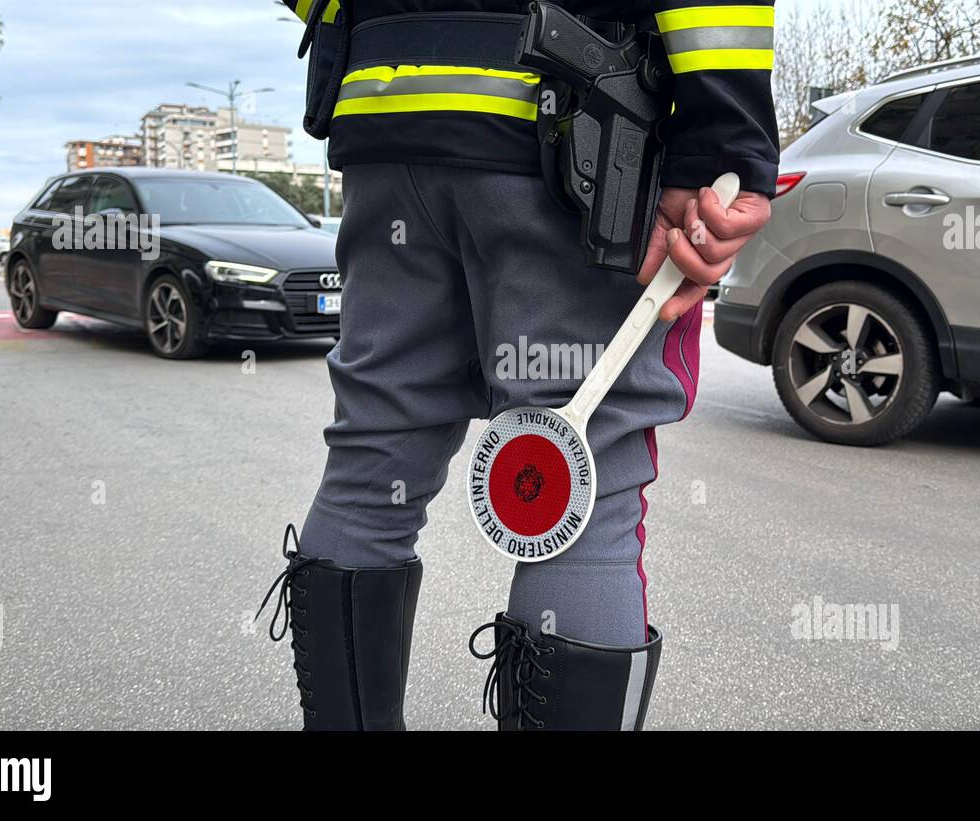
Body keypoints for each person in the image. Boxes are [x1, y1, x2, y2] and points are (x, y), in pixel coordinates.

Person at [263, 0, 778, 730]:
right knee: (582, 487)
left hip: (387, 113)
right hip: (566, 120)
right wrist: (723, 142)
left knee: (372, 456)